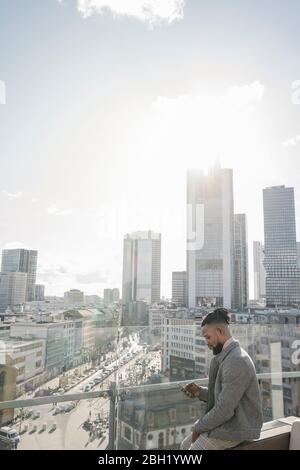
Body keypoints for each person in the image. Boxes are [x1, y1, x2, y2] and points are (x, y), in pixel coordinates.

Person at [181, 307, 263, 450]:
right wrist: (200, 392)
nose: (207, 343)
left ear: (220, 331)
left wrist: (198, 427)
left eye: (208, 337)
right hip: (230, 422)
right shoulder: (228, 357)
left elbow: (224, 409)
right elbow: (225, 397)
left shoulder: (236, 360)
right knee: (185, 445)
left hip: (237, 428)